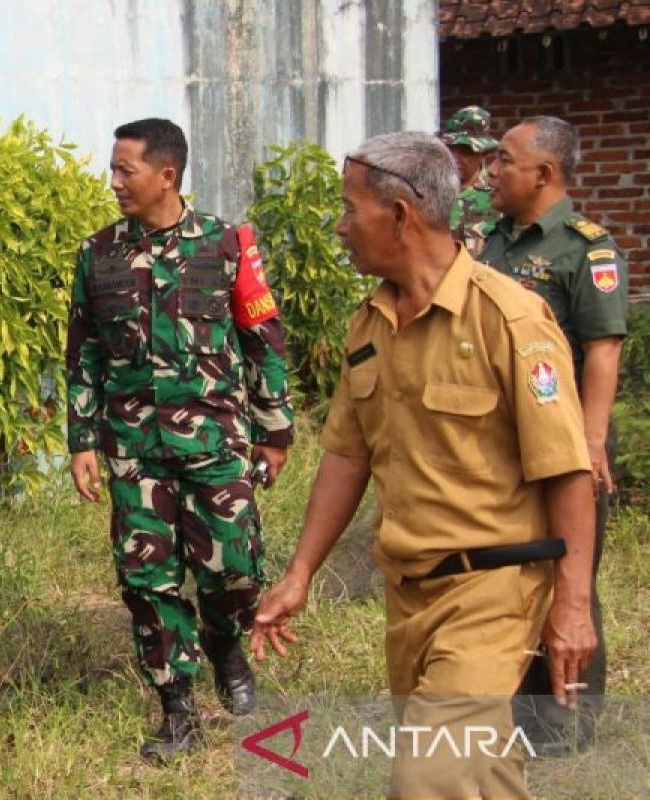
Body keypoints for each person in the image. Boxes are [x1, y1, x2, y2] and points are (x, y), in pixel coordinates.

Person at [251, 131, 596, 798]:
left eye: (350, 209)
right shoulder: (369, 324)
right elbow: (348, 457)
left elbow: (567, 470)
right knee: (482, 778)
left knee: (427, 780)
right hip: (409, 597)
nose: (340, 226)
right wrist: (298, 574)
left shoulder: (510, 319)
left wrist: (572, 606)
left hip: (491, 593)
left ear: (400, 215)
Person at [65, 118, 294, 761]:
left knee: (233, 571)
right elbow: (81, 354)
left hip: (218, 444)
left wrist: (275, 432)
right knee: (147, 582)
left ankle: (225, 644)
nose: (113, 183)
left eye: (124, 170)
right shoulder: (98, 253)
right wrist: (83, 438)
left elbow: (263, 340)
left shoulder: (227, 244)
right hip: (135, 449)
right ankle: (177, 709)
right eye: (112, 170)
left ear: (166, 174)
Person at [479, 115, 628, 754]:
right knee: (513, 574)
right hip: (503, 441)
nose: (491, 171)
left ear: (543, 173)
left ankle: (566, 724)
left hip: (564, 438)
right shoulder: (491, 241)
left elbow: (601, 349)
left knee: (569, 577)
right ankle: (515, 710)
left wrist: (592, 441)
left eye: (504, 161)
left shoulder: (584, 248)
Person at [438, 105, 502, 257]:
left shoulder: (499, 196)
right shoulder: (431, 191)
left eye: (465, 152)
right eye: (450, 149)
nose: (454, 158)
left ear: (482, 153)